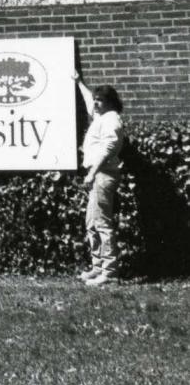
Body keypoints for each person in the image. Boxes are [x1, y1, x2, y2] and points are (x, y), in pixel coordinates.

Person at [72, 71, 125, 287]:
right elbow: (89, 103)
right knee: (92, 223)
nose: (96, 103)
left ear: (110, 102)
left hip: (103, 175)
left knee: (102, 223)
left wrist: (92, 173)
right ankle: (97, 267)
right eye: (96, 99)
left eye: (100, 100)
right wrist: (79, 83)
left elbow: (109, 149)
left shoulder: (112, 120)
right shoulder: (102, 117)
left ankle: (109, 272)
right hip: (97, 175)